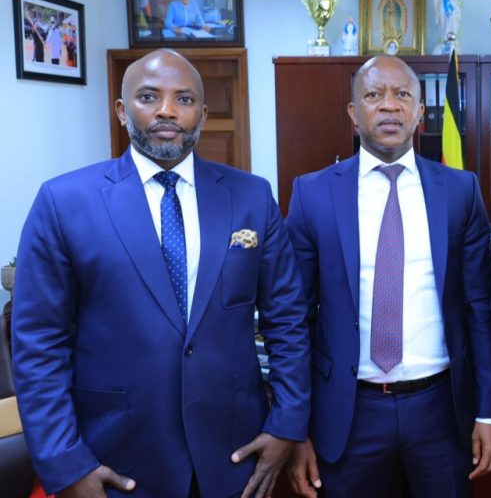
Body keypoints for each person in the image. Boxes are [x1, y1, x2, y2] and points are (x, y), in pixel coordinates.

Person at [12, 49, 311, 497]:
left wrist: (287, 425)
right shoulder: (64, 203)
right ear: (121, 110)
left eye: (184, 99)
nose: (167, 110)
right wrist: (67, 464)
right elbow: (38, 347)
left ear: (203, 114)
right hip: (116, 461)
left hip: (236, 459)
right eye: (149, 96)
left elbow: (288, 320)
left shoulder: (251, 196)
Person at [284, 55, 491, 498]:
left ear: (421, 112)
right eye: (373, 95)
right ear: (353, 113)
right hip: (348, 412)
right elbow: (294, 318)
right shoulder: (313, 193)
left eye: (402, 95)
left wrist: (488, 411)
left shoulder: (460, 191)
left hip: (441, 409)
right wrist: (295, 426)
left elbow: (480, 307)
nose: (389, 106)